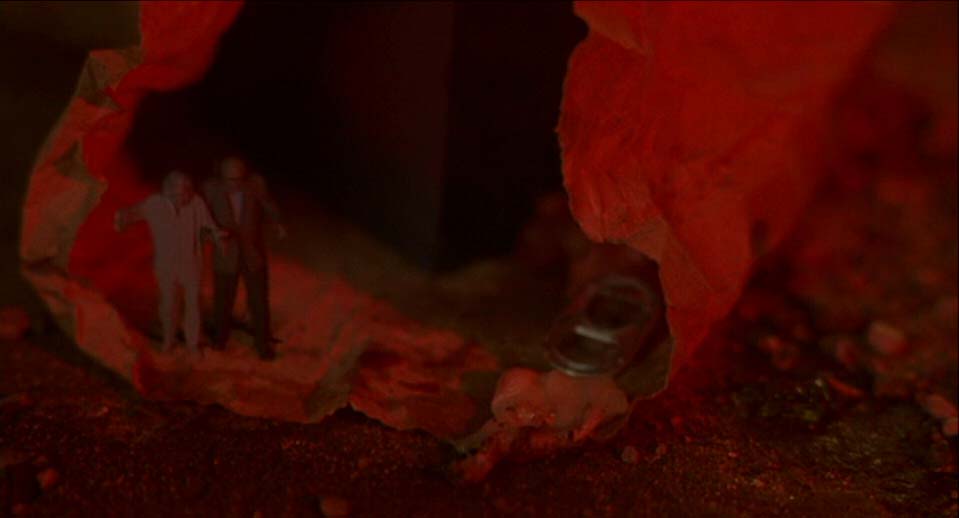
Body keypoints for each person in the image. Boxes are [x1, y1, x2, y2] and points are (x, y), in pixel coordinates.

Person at [115, 171, 226, 352]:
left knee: (192, 304)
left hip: (191, 264)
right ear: (166, 192)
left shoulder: (197, 204)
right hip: (166, 265)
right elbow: (129, 215)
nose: (181, 198)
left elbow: (209, 226)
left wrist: (218, 236)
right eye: (175, 194)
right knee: (168, 304)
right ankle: (169, 340)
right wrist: (120, 220)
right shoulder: (154, 204)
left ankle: (192, 343)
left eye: (185, 193)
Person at [202, 156, 285, 360]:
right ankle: (219, 340)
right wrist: (211, 236)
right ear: (222, 177)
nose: (235, 184)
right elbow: (202, 221)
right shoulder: (212, 192)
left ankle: (263, 343)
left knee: (259, 301)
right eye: (230, 179)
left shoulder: (253, 189)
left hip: (252, 254)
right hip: (226, 254)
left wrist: (277, 222)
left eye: (239, 179)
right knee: (223, 300)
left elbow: (270, 209)